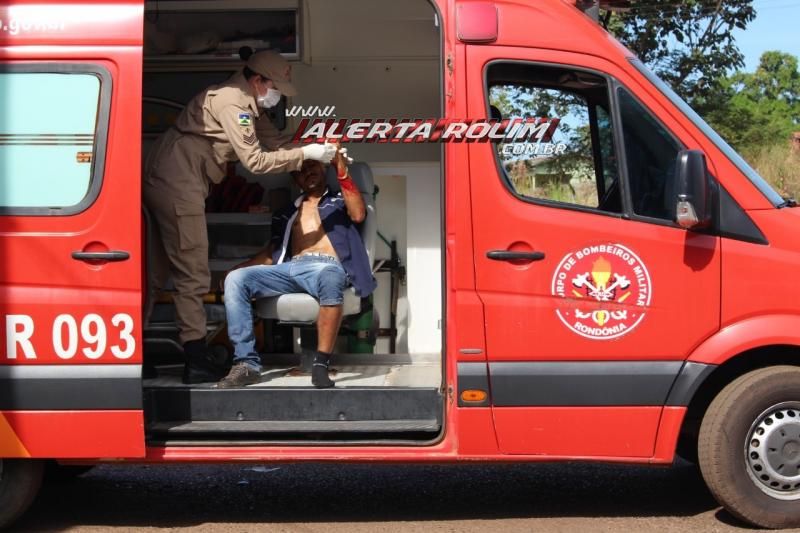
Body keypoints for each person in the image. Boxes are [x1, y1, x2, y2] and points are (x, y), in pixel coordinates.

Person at [143, 49, 337, 384]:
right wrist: (306, 154)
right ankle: (195, 359)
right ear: (258, 80)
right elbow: (257, 162)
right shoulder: (234, 103)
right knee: (192, 269)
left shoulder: (248, 102)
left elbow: (275, 143)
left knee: (156, 274)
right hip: (178, 181)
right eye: (275, 88)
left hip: (174, 177)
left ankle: (136, 355)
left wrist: (317, 145)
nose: (277, 98)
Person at [219, 147, 377, 388]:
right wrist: (237, 269)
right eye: (300, 171)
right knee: (236, 280)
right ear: (295, 179)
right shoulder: (286, 213)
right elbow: (273, 253)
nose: (307, 172)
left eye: (312, 166)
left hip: (326, 266)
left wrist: (340, 166)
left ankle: (320, 364)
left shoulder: (339, 200)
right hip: (290, 268)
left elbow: (357, 214)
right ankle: (247, 364)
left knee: (331, 277)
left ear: (323, 168)